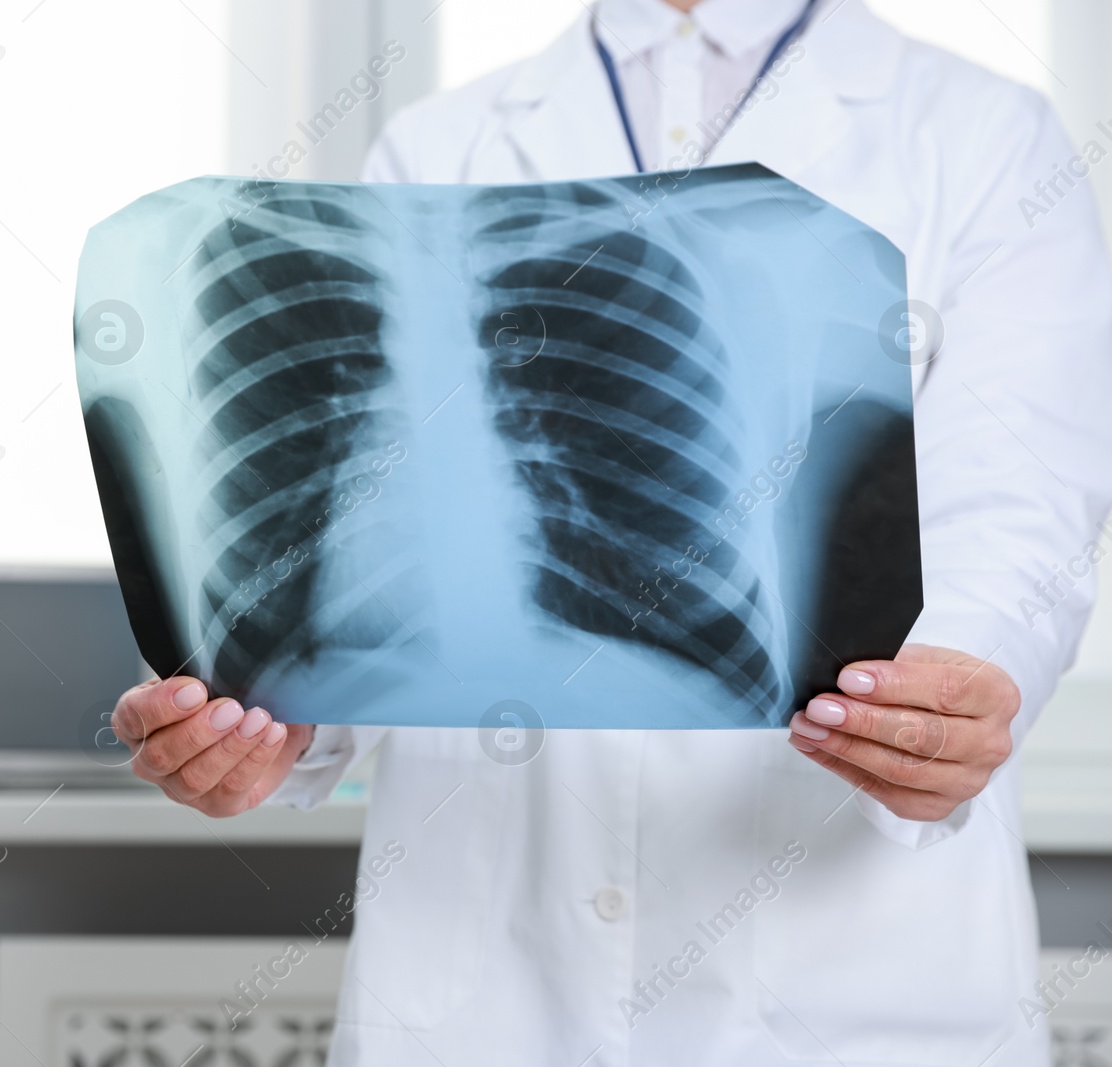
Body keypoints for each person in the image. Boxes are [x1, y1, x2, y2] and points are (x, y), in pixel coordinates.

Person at [110, 0, 1112, 1062]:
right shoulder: (440, 141)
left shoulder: (984, 133)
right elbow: (360, 518)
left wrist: (954, 688)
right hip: (490, 988)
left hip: (850, 974)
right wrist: (268, 718)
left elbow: (1020, 505)